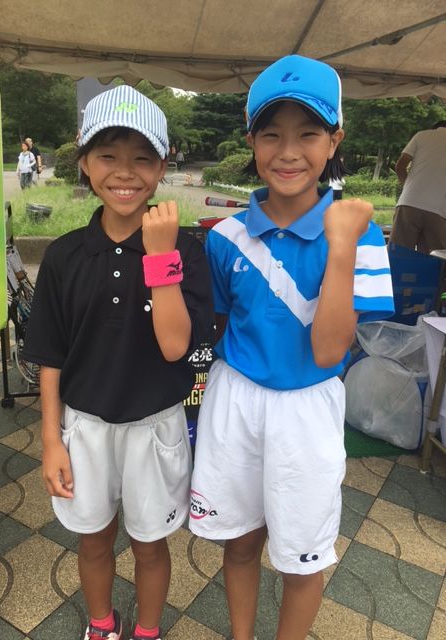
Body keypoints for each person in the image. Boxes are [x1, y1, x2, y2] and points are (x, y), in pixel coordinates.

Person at [189, 54, 395, 640]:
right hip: (235, 399)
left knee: (303, 557)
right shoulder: (225, 237)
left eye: (308, 133)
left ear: (334, 141)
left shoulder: (361, 234)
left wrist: (340, 244)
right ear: (251, 141)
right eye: (271, 134)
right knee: (240, 543)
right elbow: (219, 325)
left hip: (308, 407)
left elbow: (330, 352)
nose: (288, 151)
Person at [22, 85, 214, 640]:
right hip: (83, 426)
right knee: (93, 539)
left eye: (142, 158)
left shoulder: (185, 250)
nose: (125, 172)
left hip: (155, 424)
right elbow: (50, 356)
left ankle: (147, 631)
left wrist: (161, 257)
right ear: (84, 162)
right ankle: (102, 626)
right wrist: (51, 439)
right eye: (108, 155)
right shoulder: (64, 255)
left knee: (151, 545)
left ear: (162, 168)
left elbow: (176, 347)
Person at [389, 121, 446, 253]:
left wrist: (407, 187)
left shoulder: (421, 135)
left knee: (399, 253)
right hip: (439, 211)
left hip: (409, 203)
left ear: (434, 129)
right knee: (434, 257)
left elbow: (400, 166)